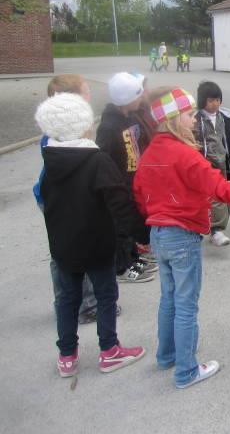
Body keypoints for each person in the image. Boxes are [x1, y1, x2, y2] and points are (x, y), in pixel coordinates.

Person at [133, 87, 230, 389]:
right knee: (186, 303)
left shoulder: (149, 153)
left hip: (159, 233)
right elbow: (215, 184)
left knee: (169, 298)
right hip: (182, 235)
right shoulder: (184, 154)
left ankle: (166, 355)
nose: (194, 120)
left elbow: (140, 194)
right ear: (171, 119)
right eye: (187, 114)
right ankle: (186, 370)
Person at [35, 93, 146, 378]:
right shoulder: (97, 161)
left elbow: (47, 202)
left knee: (67, 300)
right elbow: (120, 202)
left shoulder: (50, 163)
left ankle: (67, 355)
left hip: (64, 246)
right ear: (84, 125)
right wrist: (139, 234)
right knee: (106, 295)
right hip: (98, 243)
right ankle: (109, 350)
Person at [34, 74, 101, 325]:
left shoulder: (65, 129)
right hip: (60, 199)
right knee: (68, 252)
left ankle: (79, 302)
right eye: (85, 92)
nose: (90, 95)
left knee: (76, 248)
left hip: (64, 196)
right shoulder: (61, 134)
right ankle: (77, 304)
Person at [96, 72, 156, 284]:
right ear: (127, 99)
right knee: (121, 225)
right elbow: (103, 157)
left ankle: (133, 258)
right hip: (119, 181)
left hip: (134, 178)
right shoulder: (109, 126)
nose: (141, 98)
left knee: (132, 221)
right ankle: (121, 268)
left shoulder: (131, 117)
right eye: (137, 95)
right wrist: (114, 181)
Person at [194, 81, 230, 247]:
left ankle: (216, 227)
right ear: (202, 101)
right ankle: (216, 229)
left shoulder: (222, 117)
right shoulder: (197, 120)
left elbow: (228, 139)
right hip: (206, 162)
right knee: (214, 196)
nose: (215, 104)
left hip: (222, 160)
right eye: (211, 100)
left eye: (217, 100)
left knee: (225, 195)